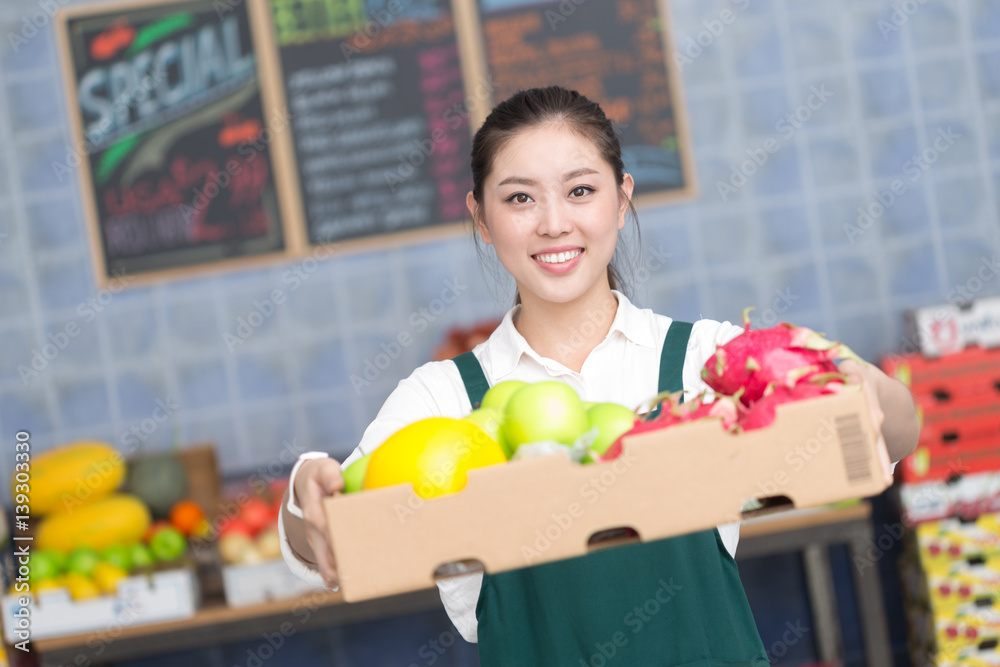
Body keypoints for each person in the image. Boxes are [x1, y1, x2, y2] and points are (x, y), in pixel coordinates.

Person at [279, 86, 919, 665]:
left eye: (580, 190)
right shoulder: (443, 397)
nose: (554, 222)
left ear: (622, 198)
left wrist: (861, 387)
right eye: (520, 198)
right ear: (481, 217)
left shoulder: (703, 360)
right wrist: (308, 487)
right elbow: (327, 549)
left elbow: (892, 436)